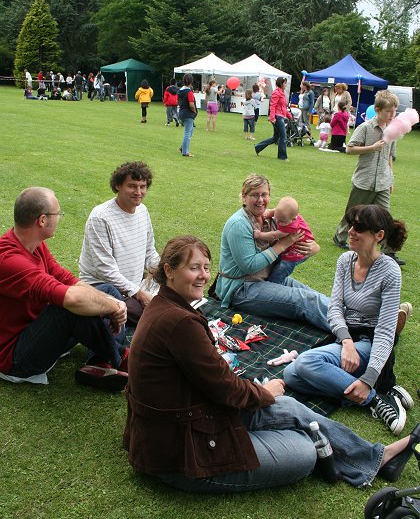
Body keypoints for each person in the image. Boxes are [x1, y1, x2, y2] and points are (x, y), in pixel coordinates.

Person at [123, 234, 419, 492]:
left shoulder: (167, 307)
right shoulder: (178, 322)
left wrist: (264, 396)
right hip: (179, 454)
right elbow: (226, 389)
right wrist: (265, 394)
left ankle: (377, 458)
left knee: (289, 408)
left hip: (195, 417)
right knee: (304, 452)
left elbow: (215, 380)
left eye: (206, 268)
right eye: (193, 268)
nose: (203, 275)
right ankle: (336, 454)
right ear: (169, 271)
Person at [284, 205, 413, 435]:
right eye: (351, 224)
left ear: (379, 236)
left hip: (370, 341)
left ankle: (374, 399)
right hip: (348, 340)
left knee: (306, 364)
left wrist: (369, 378)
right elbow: (335, 309)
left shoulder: (390, 272)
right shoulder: (345, 260)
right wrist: (346, 342)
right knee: (291, 376)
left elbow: (385, 331)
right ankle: (377, 392)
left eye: (360, 228)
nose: (351, 231)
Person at [0, 187, 128, 390]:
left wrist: (113, 301)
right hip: (16, 359)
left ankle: (99, 363)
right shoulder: (9, 260)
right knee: (70, 307)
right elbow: (71, 298)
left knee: (107, 290)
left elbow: (64, 277)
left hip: (42, 331)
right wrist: (112, 308)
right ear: (42, 220)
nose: (59, 217)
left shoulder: (34, 243)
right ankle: (122, 358)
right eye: (57, 213)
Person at [214, 174, 329, 328]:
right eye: (254, 195)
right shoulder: (238, 224)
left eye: (264, 194)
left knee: (314, 296)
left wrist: (314, 248)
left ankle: (356, 319)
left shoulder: (275, 216)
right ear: (243, 197)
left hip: (268, 277)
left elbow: (300, 231)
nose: (260, 200)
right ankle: (348, 332)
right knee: (303, 300)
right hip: (242, 287)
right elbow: (249, 266)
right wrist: (283, 244)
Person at [79, 162, 160, 331]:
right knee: (155, 315)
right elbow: (105, 270)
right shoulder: (100, 217)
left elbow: (149, 252)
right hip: (103, 287)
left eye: (143, 187)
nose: (138, 192)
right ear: (118, 186)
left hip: (134, 284)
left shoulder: (143, 211)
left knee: (174, 301)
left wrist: (166, 274)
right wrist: (139, 294)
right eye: (132, 186)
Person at [332, 90, 405, 266]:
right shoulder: (365, 128)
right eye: (389, 111)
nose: (392, 115)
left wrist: (391, 179)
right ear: (378, 109)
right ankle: (340, 236)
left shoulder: (392, 131)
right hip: (363, 180)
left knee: (385, 217)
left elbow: (389, 157)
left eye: (394, 111)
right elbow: (349, 149)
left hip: (382, 182)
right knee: (353, 213)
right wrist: (371, 147)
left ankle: (389, 250)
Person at [253, 196, 315, 284]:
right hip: (290, 247)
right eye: (276, 217)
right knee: (276, 261)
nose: (277, 222)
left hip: (297, 252)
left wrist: (260, 235)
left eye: (282, 221)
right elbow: (275, 211)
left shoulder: (291, 226)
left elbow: (274, 235)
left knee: (283, 268)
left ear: (293, 219)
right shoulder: (286, 215)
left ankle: (273, 284)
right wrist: (270, 213)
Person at [254, 77, 291, 161]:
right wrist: (272, 117)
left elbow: (283, 106)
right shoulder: (276, 93)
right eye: (285, 83)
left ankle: (258, 147)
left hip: (280, 116)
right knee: (283, 136)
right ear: (281, 84)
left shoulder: (282, 93)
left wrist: (289, 115)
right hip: (277, 117)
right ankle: (282, 156)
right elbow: (272, 105)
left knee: (275, 137)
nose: (286, 84)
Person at [177, 73, 197, 157]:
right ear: (191, 81)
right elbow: (191, 104)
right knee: (187, 133)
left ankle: (183, 147)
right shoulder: (189, 92)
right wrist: (195, 111)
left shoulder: (180, 91)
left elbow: (178, 102)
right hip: (188, 114)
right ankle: (185, 152)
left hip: (181, 113)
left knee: (190, 131)